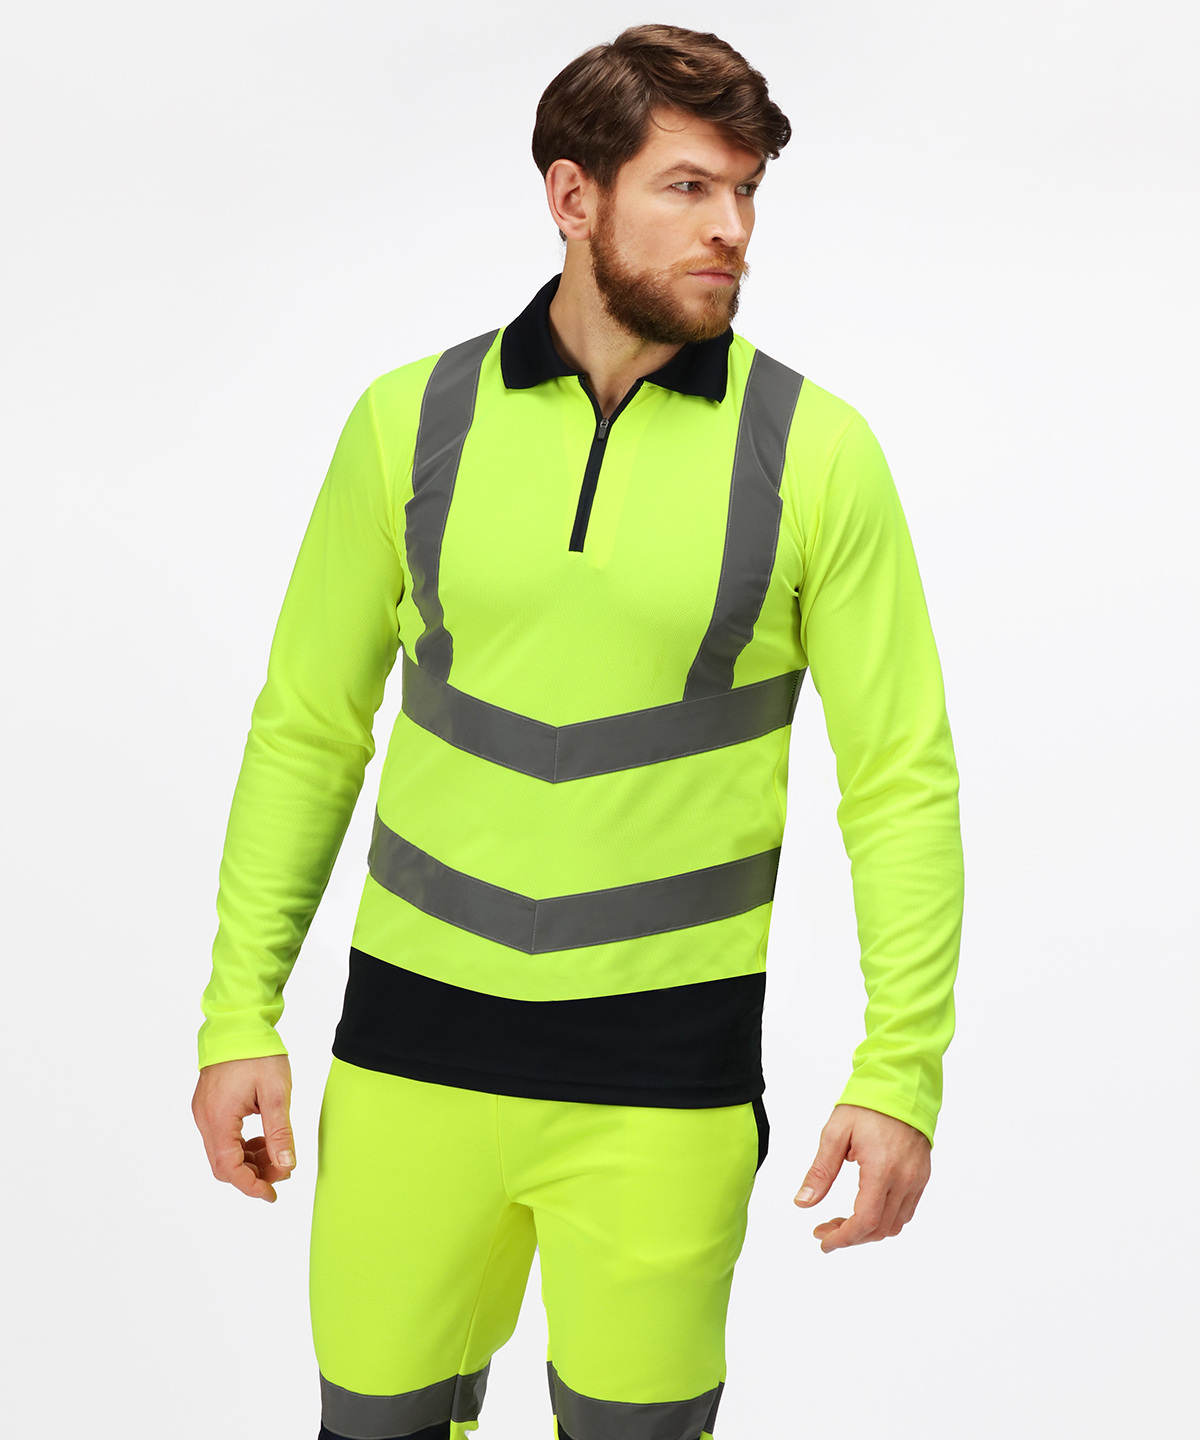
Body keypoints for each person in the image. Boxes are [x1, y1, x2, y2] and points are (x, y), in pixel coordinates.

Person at [192, 23, 964, 1440]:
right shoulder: (408, 422)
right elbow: (307, 730)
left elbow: (900, 783)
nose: (733, 229)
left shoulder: (817, 453)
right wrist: (239, 1012)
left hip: (665, 1087)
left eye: (747, 192)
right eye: (689, 188)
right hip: (407, 1065)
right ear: (572, 197)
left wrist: (899, 1071)